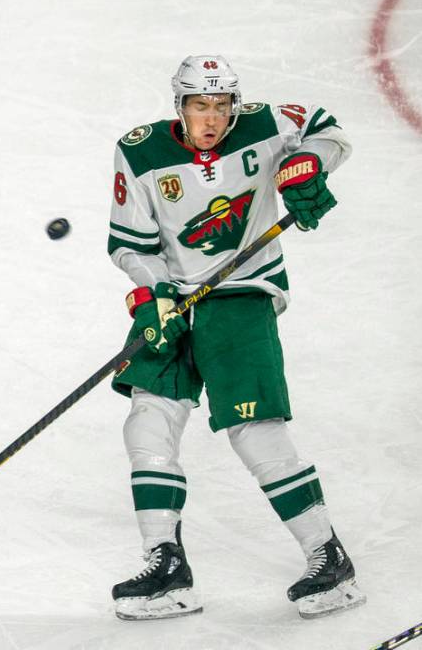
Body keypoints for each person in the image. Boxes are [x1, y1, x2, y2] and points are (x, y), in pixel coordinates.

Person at [106, 55, 365, 620]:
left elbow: (329, 129)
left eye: (222, 105)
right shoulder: (142, 150)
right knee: (148, 420)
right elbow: (129, 244)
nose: (213, 118)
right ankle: (166, 566)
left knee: (252, 429)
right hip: (173, 299)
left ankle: (329, 556)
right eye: (201, 105)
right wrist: (153, 292)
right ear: (180, 105)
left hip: (242, 292)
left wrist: (304, 165)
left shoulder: (265, 124)